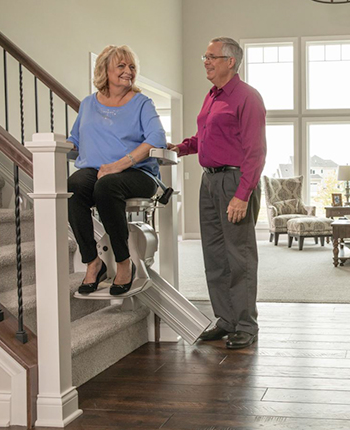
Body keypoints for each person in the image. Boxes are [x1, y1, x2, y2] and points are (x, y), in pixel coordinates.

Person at [168, 37, 266, 349]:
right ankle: (226, 320)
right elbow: (205, 137)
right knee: (214, 255)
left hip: (235, 180)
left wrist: (242, 194)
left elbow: (256, 152)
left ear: (230, 61)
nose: (206, 62)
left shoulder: (247, 97)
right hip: (209, 181)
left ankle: (246, 325)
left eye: (212, 57)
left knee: (240, 256)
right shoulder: (212, 96)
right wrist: (180, 148)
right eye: (205, 56)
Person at [67, 45, 166, 296]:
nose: (128, 71)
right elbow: (75, 140)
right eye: (121, 66)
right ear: (105, 71)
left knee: (107, 185)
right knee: (74, 186)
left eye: (131, 66)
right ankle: (93, 262)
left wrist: (118, 165)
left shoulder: (142, 103)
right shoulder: (88, 104)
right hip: (98, 170)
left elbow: (156, 138)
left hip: (138, 173)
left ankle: (124, 262)